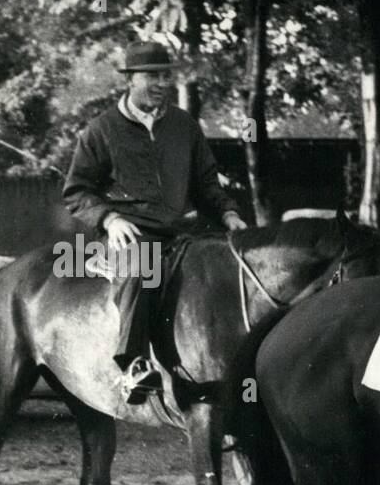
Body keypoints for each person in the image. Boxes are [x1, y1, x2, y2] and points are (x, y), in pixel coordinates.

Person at [63, 41, 247, 403]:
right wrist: (110, 218)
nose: (161, 83)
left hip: (180, 232)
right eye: (152, 76)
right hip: (126, 236)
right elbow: (76, 192)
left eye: (166, 75)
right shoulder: (101, 130)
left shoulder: (184, 127)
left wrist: (228, 213)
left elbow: (206, 184)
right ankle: (133, 365)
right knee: (142, 262)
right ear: (130, 79)